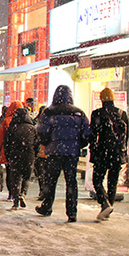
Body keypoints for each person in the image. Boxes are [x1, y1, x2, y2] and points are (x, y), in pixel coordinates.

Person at [35, 85, 91, 222]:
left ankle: (47, 206)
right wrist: (78, 144)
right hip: (72, 153)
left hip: (54, 151)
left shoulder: (49, 112)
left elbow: (42, 131)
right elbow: (87, 134)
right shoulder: (79, 113)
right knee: (71, 182)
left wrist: (47, 143)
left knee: (51, 180)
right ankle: (72, 212)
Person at [89, 88, 129, 221]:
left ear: (102, 99)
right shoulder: (122, 114)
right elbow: (126, 138)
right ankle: (107, 208)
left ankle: (104, 203)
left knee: (97, 180)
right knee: (112, 182)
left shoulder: (97, 114)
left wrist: (93, 153)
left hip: (103, 153)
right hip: (117, 154)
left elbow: (93, 137)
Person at [4, 107, 37, 210]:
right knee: (26, 176)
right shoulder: (32, 128)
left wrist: (8, 155)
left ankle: (16, 200)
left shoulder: (12, 128)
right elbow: (37, 143)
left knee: (15, 177)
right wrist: (34, 154)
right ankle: (23, 193)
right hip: (28, 154)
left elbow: (6, 143)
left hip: (15, 154)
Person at [0, 100, 24, 201]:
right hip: (22, 151)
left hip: (9, 150)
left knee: (10, 172)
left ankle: (11, 193)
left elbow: (1, 137)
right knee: (20, 172)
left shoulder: (6, 121)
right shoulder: (25, 120)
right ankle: (20, 192)